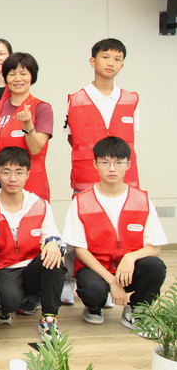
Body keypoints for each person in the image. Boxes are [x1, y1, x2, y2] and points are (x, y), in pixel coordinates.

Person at [62, 137, 167, 330]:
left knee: (155, 266)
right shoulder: (82, 201)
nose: (112, 169)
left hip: (128, 270)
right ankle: (94, 307)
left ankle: (136, 310)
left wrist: (130, 257)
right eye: (105, 163)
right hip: (97, 270)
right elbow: (80, 249)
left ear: (128, 165)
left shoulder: (141, 199)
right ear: (95, 164)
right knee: (92, 289)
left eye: (118, 163)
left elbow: (155, 247)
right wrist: (112, 281)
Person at [0, 147, 65, 343]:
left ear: (27, 174)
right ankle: (6, 306)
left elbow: (53, 236)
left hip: (31, 267)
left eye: (19, 172)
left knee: (55, 258)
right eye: (6, 172)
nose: (13, 178)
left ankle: (49, 319)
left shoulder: (39, 204)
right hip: (2, 269)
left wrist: (53, 244)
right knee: (10, 300)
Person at [65, 38, 140, 193]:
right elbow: (71, 139)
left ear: (122, 65)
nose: (111, 63)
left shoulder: (131, 99)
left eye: (117, 59)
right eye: (105, 57)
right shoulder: (76, 99)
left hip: (124, 181)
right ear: (93, 61)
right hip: (86, 177)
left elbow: (130, 138)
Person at [0, 53, 53, 199]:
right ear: (6, 77)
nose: (17, 79)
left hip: (28, 180)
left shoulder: (42, 108)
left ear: (32, 77)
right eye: (12, 74)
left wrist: (27, 124)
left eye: (23, 73)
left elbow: (36, 148)